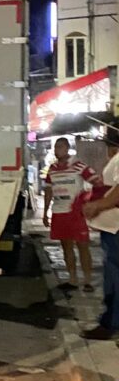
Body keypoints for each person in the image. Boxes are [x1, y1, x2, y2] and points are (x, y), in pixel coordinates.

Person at [43, 137, 99, 292]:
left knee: (82, 246)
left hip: (76, 213)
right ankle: (72, 279)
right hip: (59, 212)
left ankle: (88, 280)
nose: (57, 150)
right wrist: (45, 212)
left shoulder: (78, 166)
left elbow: (97, 182)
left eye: (60, 147)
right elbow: (48, 190)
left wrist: (89, 201)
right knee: (66, 246)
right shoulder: (52, 169)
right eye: (55, 147)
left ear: (67, 148)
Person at [78, 131, 119, 339]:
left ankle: (110, 324)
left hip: (116, 230)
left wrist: (98, 205)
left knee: (115, 280)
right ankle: (110, 322)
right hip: (112, 229)